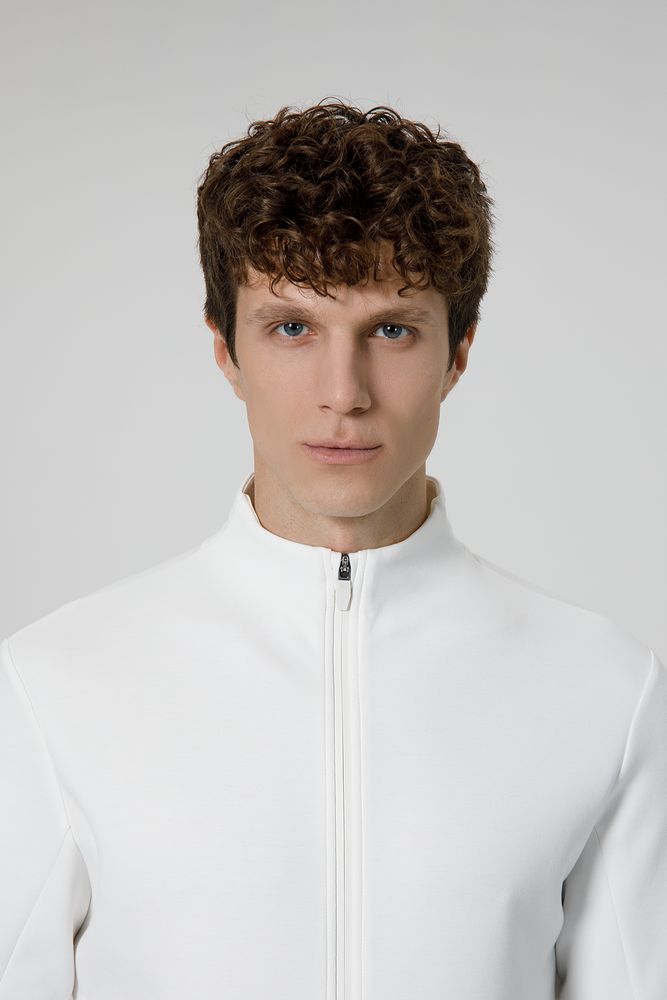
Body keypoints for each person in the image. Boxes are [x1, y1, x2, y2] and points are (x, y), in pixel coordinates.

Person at [1, 98, 665, 1000]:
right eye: (292, 328)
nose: (343, 392)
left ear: (457, 354)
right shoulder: (52, 687)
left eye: (391, 330)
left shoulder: (605, 692)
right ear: (225, 352)